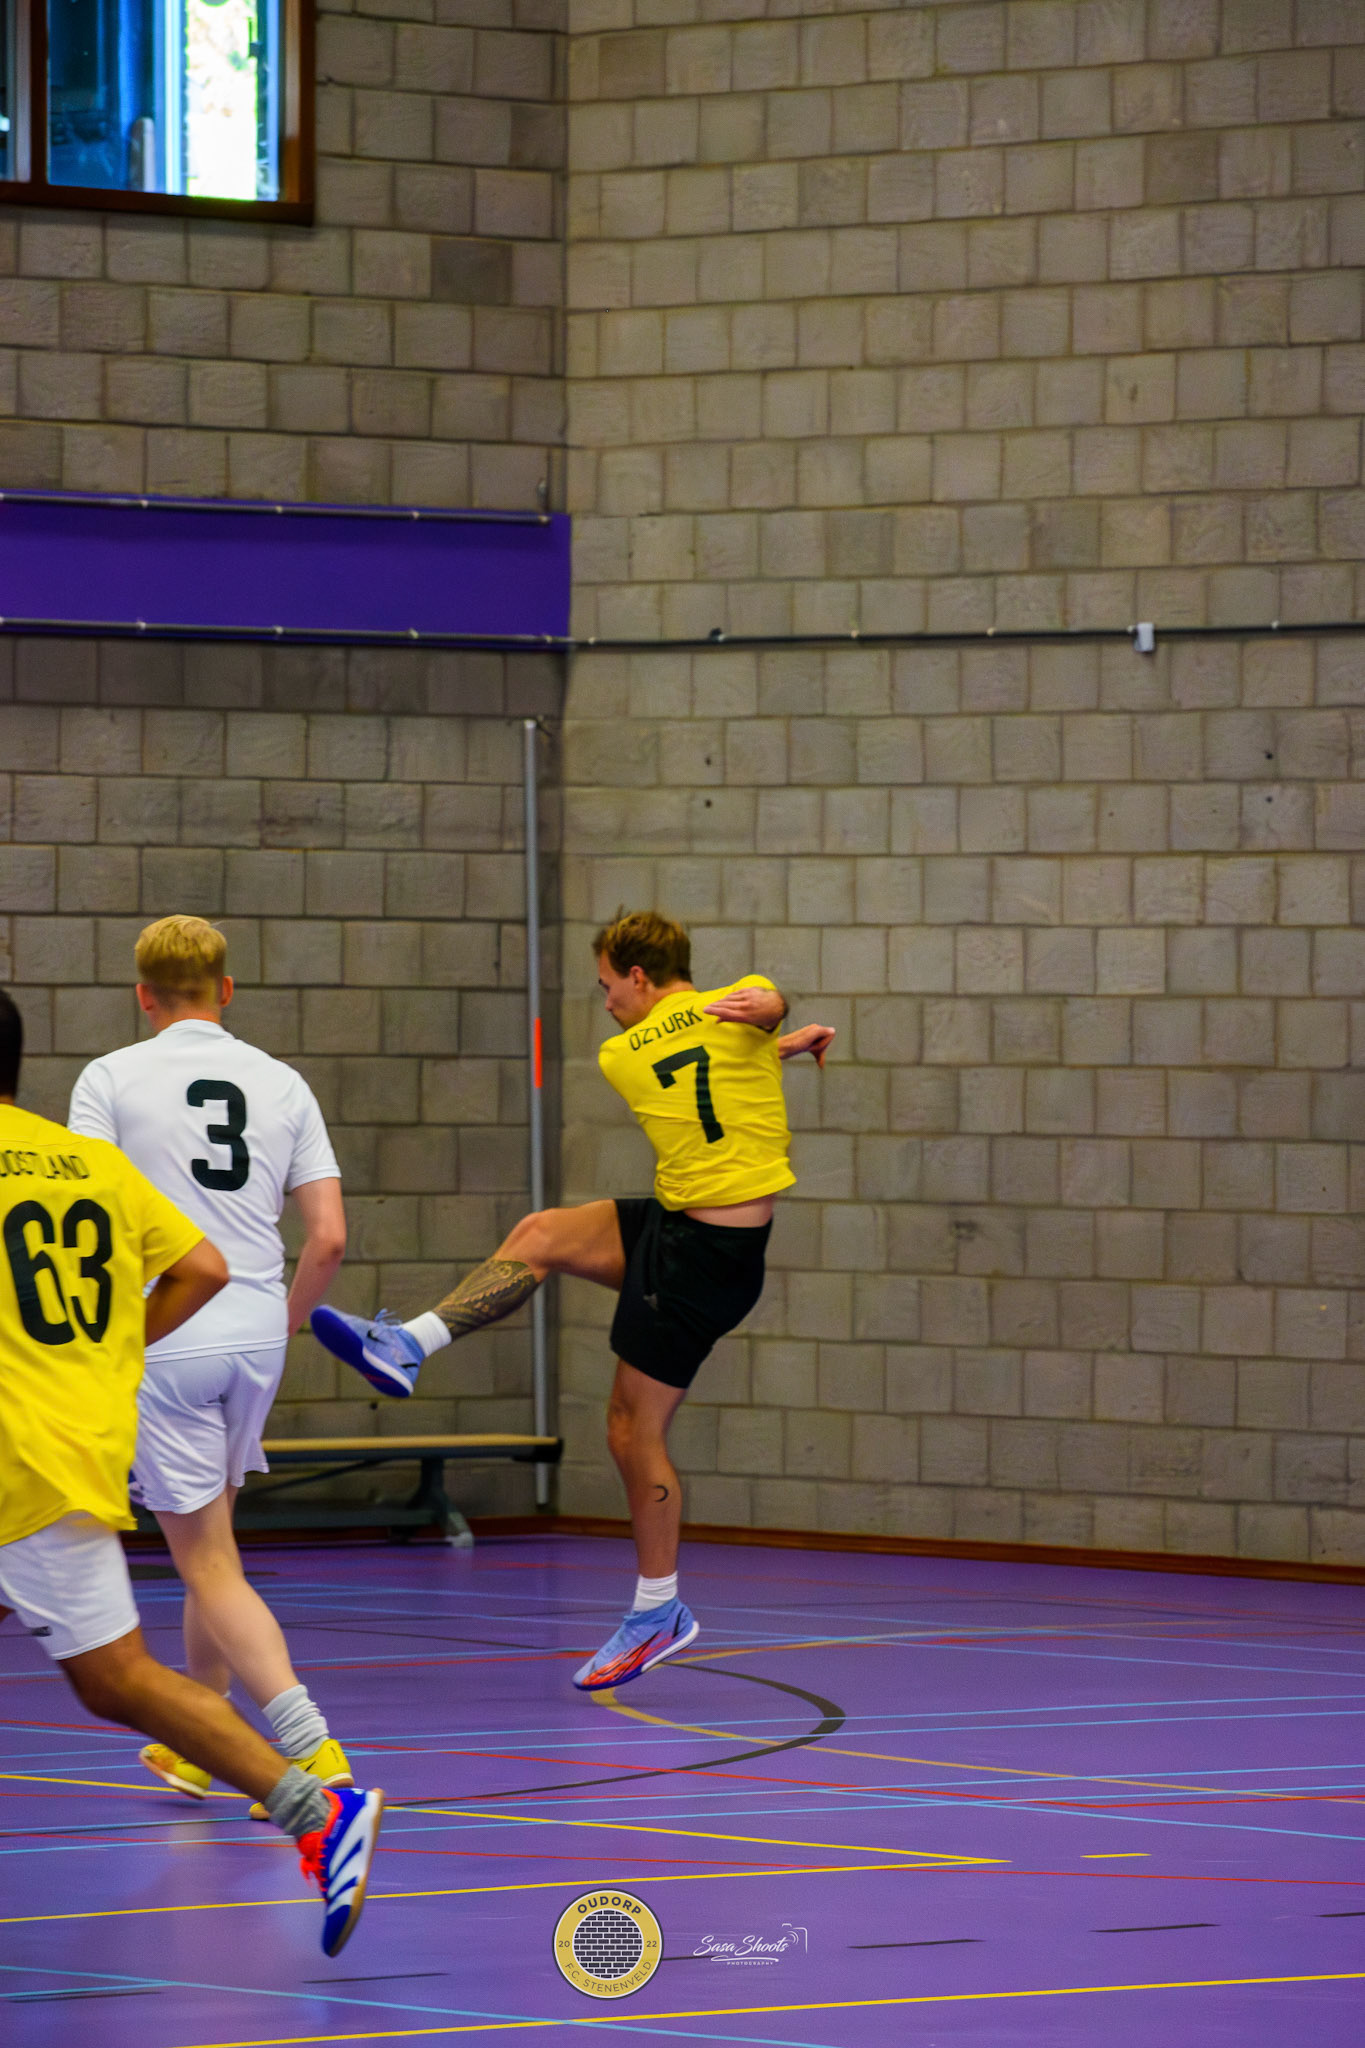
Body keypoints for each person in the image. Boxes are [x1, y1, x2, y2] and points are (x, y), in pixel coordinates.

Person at [310, 910, 834, 1691]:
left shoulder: (623, 1053)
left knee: (631, 1429)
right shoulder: (742, 1003)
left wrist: (775, 1036)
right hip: (693, 1228)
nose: (607, 1003)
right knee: (543, 1233)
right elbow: (729, 1048)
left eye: (606, 986)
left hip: (699, 1258)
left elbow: (698, 1068)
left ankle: (658, 1610)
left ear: (637, 976)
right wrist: (778, 1020)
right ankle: (409, 1344)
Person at [0, 991, 382, 1956]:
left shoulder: (109, 1100)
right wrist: (109, 1350)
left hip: (20, 1456)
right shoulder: (85, 1161)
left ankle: (315, 1802)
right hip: (78, 1433)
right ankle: (306, 1800)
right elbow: (204, 1267)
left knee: (119, 1676)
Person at [67, 915, 351, 1816]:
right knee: (214, 1541)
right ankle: (201, 1745)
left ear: (142, 995)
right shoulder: (283, 1081)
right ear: (226, 990)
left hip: (170, 1330)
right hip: (257, 1330)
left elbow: (94, 1222)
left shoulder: (109, 1078)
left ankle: (313, 1749)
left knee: (208, 1565)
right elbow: (329, 1237)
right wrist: (287, 1320)